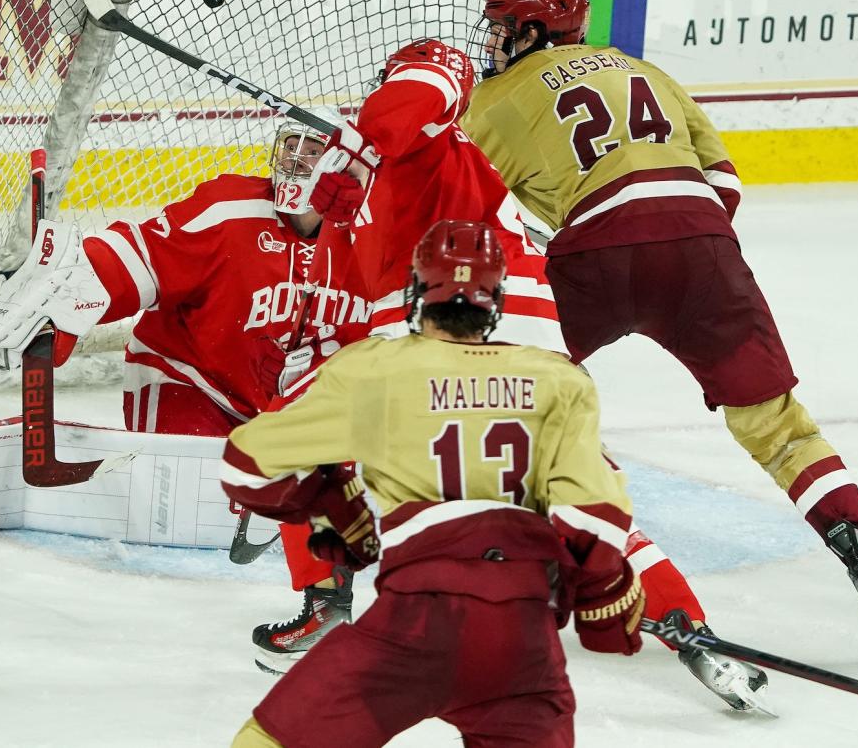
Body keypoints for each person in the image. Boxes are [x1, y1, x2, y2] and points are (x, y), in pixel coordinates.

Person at [461, 0, 858, 663]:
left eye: (503, 27)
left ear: (532, 31)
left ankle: (639, 583)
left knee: (523, 400)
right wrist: (684, 248)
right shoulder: (644, 71)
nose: (495, 40)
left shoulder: (497, 99)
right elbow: (724, 184)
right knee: (776, 422)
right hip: (703, 243)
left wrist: (562, 234)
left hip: (594, 257)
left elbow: (466, 203)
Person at [303, 38, 770, 711]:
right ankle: (685, 628)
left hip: (491, 325)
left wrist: (357, 137)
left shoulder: (431, 143)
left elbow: (431, 78)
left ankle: (661, 621)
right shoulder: (364, 198)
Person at [0, 113, 368, 670]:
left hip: (289, 406)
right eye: (289, 145)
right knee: (187, 494)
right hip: (190, 378)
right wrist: (72, 301)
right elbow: (139, 255)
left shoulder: (375, 241)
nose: (294, 160)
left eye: (312, 150)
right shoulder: (230, 210)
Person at [223, 220, 644, 748]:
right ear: (496, 301)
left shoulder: (376, 370)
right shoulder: (558, 379)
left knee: (269, 740)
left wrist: (331, 499)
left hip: (415, 622)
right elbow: (594, 516)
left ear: (416, 292)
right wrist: (605, 589)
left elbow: (247, 464)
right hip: (521, 642)